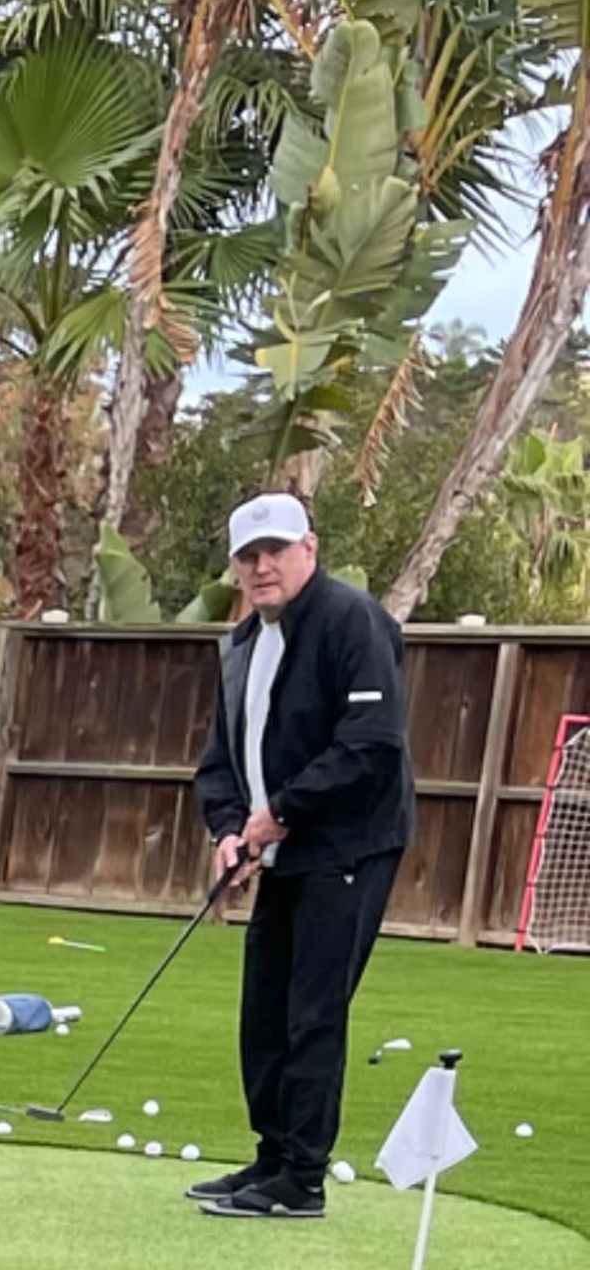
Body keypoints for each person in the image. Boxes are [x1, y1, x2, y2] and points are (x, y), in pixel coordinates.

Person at [186, 488, 414, 1222]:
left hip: (348, 846)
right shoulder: (246, 641)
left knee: (313, 1012)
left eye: (275, 551)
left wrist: (279, 813)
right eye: (248, 557)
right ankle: (272, 1155)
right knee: (265, 1009)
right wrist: (229, 827)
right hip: (282, 850)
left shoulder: (352, 621)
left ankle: (303, 1179)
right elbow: (221, 755)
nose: (261, 567)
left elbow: (372, 745)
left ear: (309, 549)